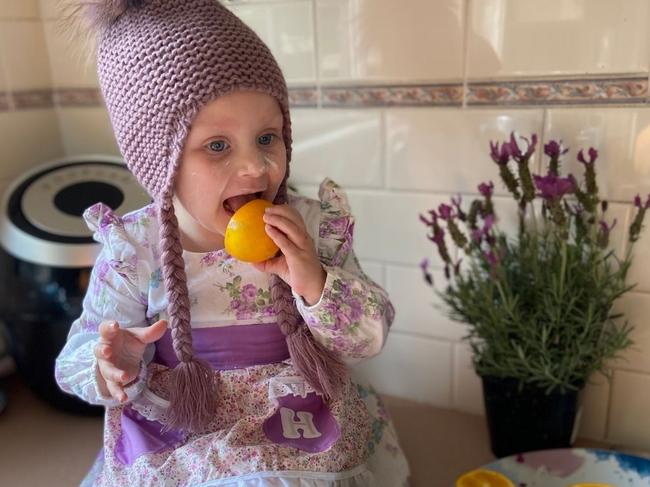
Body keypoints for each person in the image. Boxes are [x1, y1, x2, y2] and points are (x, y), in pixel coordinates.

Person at [55, 1, 410, 485]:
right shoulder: (134, 249)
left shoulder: (308, 226)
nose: (256, 169)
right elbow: (73, 360)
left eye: (268, 138)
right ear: (159, 161)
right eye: (218, 146)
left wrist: (315, 283)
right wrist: (113, 364)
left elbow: (369, 337)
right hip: (186, 427)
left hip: (297, 417)